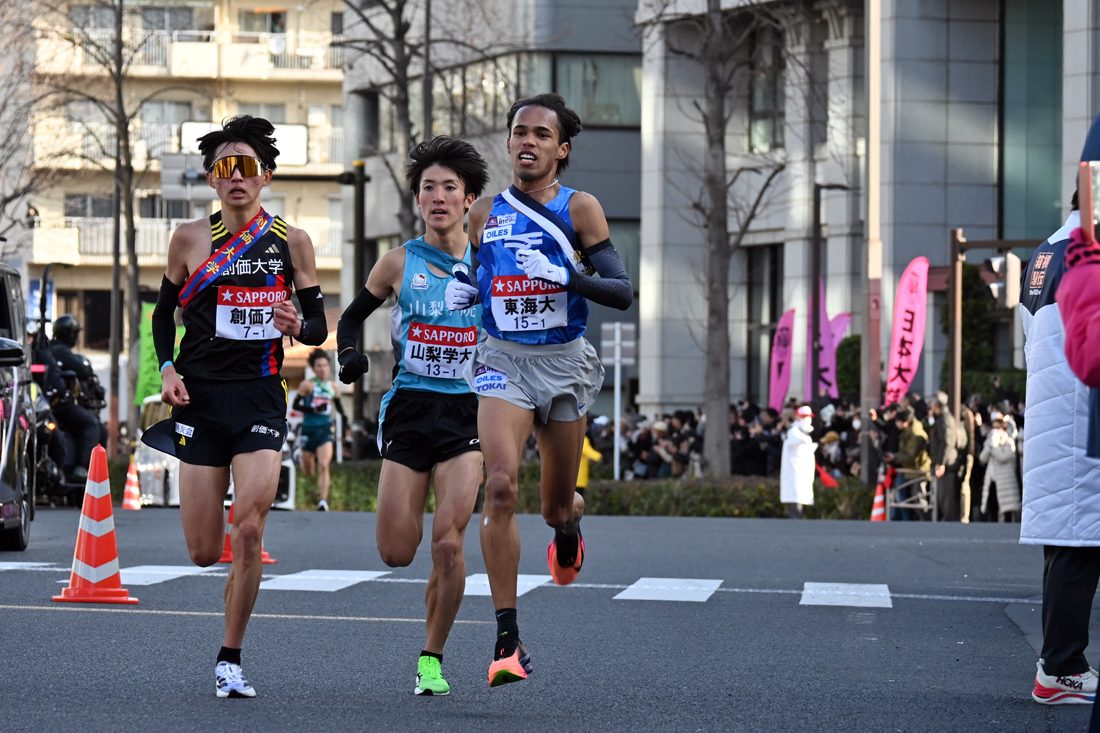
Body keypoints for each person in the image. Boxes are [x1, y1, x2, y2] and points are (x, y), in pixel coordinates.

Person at [445, 93, 633, 687]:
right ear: (508, 143)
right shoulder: (484, 212)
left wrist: (567, 276)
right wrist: (465, 287)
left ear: (562, 148)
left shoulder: (581, 208)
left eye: (541, 135)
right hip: (503, 360)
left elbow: (621, 290)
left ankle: (569, 530)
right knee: (500, 486)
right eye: (519, 132)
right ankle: (508, 640)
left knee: (554, 505)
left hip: (563, 364)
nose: (528, 141)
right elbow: (479, 272)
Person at [143, 115, 328, 698]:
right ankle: (227, 600)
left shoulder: (292, 241)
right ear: (211, 179)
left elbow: (317, 324)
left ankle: (230, 657)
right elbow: (161, 315)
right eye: (226, 168)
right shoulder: (189, 239)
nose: (237, 177)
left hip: (260, 398)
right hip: (199, 400)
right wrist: (168, 369)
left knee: (248, 529)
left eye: (247, 166)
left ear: (266, 175)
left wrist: (299, 324)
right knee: (204, 551)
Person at [335, 136, 489, 696]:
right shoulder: (398, 262)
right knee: (397, 552)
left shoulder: (488, 262)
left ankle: (432, 657)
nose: (438, 197)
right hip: (409, 409)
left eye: (450, 188)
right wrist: (348, 355)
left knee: (448, 543)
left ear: (468, 199)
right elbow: (350, 318)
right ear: (418, 200)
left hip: (469, 412)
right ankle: (431, 603)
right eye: (429, 188)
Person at [1018, 113, 1100, 706]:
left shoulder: (1048, 251)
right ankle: (1062, 669)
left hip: (1056, 410)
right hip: (1082, 412)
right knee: (1080, 543)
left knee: (1070, 542)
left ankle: (1060, 666)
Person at [49, 314, 104, 483]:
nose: (76, 337)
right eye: (74, 333)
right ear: (68, 334)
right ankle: (81, 468)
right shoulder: (60, 351)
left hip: (53, 403)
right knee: (91, 424)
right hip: (59, 403)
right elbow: (82, 369)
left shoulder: (52, 349)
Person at [293, 348, 341, 511]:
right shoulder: (307, 385)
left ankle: (323, 501)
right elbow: (295, 405)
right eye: (319, 366)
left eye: (325, 365)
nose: (322, 369)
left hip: (324, 430)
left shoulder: (333, 387)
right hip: (308, 429)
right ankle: (301, 456)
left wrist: (348, 424)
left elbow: (339, 407)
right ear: (313, 368)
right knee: (308, 470)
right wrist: (313, 409)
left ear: (329, 367)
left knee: (324, 465)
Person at [978, 417, 1020, 522]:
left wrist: (994, 447)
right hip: (992, 479)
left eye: (997, 428)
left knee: (1007, 509)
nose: (995, 431)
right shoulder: (990, 442)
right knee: (992, 506)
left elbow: (1003, 457)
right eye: (994, 428)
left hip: (1005, 481)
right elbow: (982, 459)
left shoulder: (1008, 442)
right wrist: (989, 446)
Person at [927, 391, 959, 521]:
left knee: (946, 497)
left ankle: (949, 523)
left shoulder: (945, 419)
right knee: (941, 497)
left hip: (947, 464)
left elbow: (947, 443)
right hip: (942, 462)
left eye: (932, 403)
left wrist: (941, 463)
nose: (931, 405)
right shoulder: (940, 419)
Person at [780, 405, 816, 518]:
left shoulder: (802, 433)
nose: (807, 420)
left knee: (799, 500)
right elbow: (798, 440)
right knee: (794, 500)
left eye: (808, 417)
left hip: (802, 473)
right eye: (804, 417)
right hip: (794, 473)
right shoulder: (793, 431)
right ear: (797, 417)